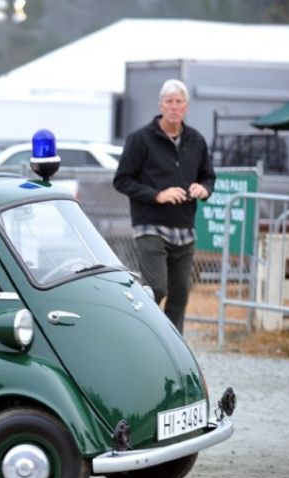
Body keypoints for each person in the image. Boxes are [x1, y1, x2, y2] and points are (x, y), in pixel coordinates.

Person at [113, 79, 215, 334]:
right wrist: (157, 195)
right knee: (157, 288)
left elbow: (208, 176)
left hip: (184, 227)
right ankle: (141, 334)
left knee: (180, 294)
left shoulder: (196, 140)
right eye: (169, 102)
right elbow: (122, 180)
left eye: (179, 102)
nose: (174, 107)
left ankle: (172, 345)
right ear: (160, 105)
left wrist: (204, 189)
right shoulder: (141, 139)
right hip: (150, 226)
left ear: (186, 107)